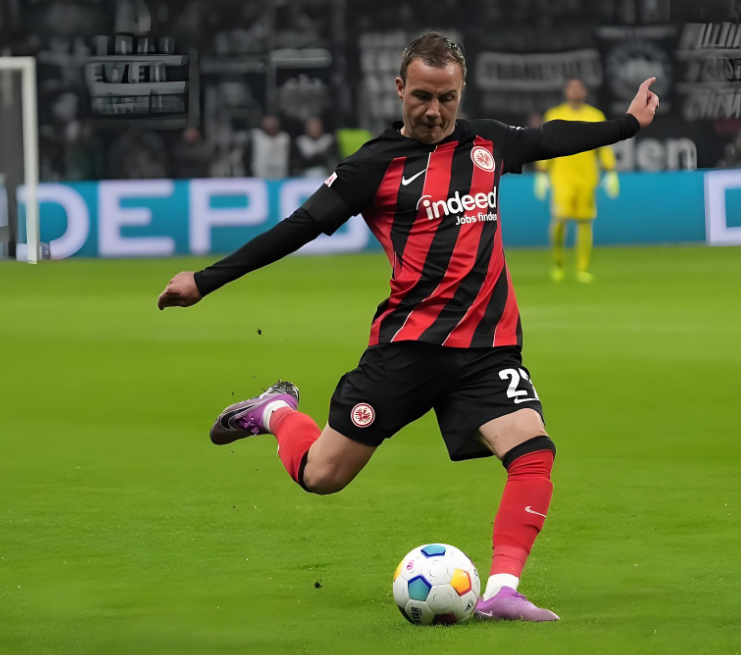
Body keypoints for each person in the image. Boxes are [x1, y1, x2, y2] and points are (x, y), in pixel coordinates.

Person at [158, 32, 657, 622]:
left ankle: (502, 591)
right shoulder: (373, 165)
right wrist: (205, 280)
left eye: (447, 98)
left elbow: (551, 138)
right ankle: (274, 412)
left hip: (487, 348)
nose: (434, 111)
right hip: (407, 348)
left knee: (532, 451)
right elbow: (297, 228)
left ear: (461, 91)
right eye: (422, 96)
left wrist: (628, 124)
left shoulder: (486, 143)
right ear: (399, 89)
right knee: (321, 475)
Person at [536, 79, 621, 284]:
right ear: (566, 91)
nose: (575, 91)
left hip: (587, 177)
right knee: (560, 219)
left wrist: (610, 171)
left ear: (584, 92)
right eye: (571, 88)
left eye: (578, 88)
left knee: (585, 222)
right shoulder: (554, 114)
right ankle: (558, 263)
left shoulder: (595, 116)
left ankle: (583, 268)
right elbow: (544, 144)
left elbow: (604, 144)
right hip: (562, 176)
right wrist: (542, 172)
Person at [250, 115, 290, 179]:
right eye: (267, 123)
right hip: (260, 172)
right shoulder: (257, 136)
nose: (270, 126)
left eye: (272, 123)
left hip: (280, 171)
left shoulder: (284, 137)